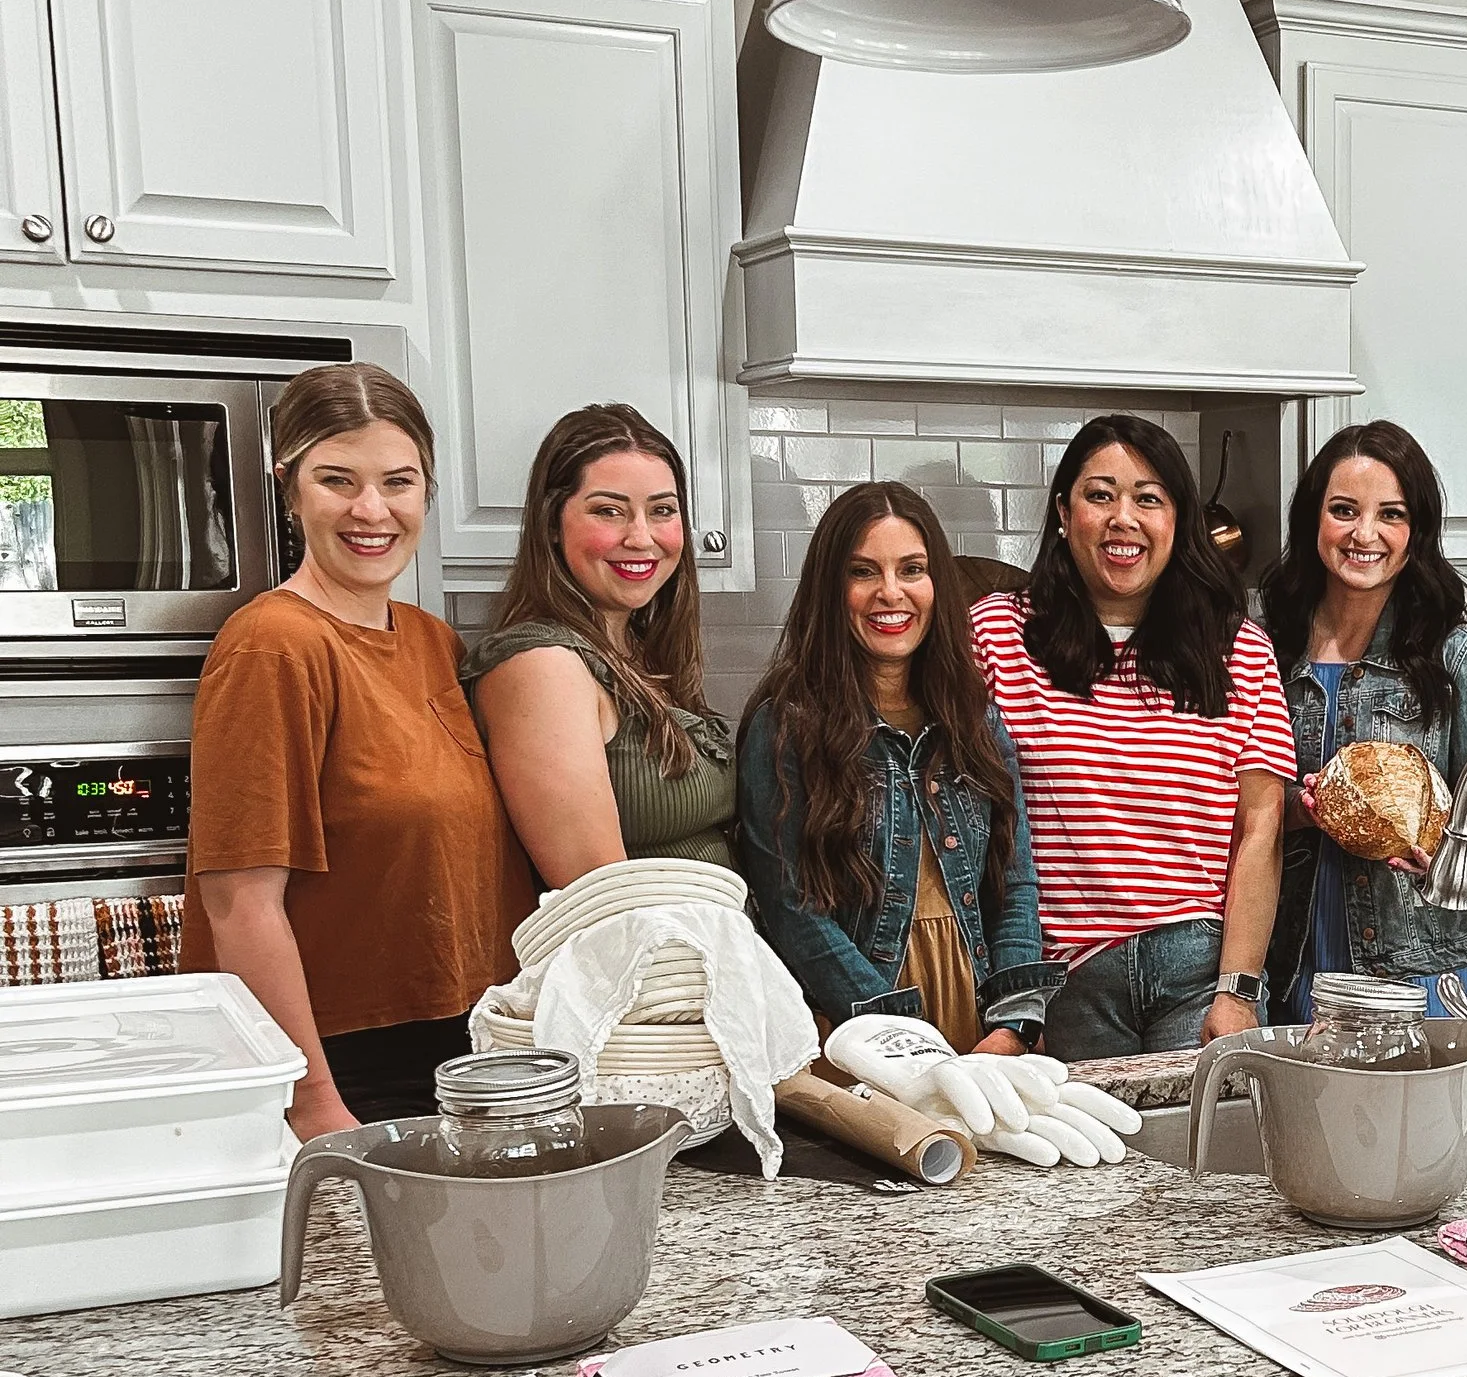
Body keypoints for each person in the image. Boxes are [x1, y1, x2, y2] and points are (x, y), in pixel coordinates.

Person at [183, 364, 534, 1134]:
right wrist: (315, 1107)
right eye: (337, 479)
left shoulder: (431, 642)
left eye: (398, 482)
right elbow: (239, 903)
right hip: (344, 1070)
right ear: (291, 488)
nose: (371, 509)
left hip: (457, 1051)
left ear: (427, 493)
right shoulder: (272, 646)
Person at [971, 417, 1294, 1057]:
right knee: (1079, 1157)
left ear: (1178, 520)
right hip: (1061, 974)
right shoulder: (997, 633)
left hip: (1197, 968)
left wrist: (1238, 990)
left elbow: (1262, 826)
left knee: (1196, 1155)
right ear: (1064, 513)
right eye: (1100, 495)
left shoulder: (1239, 647)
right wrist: (1016, 1005)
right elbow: (971, 816)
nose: (1125, 517)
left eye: (1149, 498)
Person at [738, 482, 1056, 1050]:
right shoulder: (786, 726)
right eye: (864, 572)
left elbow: (1016, 881)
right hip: (859, 1028)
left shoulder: (977, 718)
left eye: (912, 570)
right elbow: (791, 911)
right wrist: (899, 1035)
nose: (892, 593)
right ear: (831, 590)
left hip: (981, 1011)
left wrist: (1012, 1023)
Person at [1258, 421, 1467, 1012]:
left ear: (1416, 530)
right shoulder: (1269, 649)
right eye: (1343, 510)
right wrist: (1302, 809)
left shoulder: (1454, 657)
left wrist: (1449, 861)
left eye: (1391, 514)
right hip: (1291, 965)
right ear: (1312, 521)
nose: (1364, 534)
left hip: (1415, 971)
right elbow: (1239, 804)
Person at [466, 405, 736, 887]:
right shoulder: (541, 666)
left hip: (710, 950)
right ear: (553, 523)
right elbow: (600, 898)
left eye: (662, 511)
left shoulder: (635, 648)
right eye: (608, 511)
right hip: (649, 958)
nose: (641, 537)